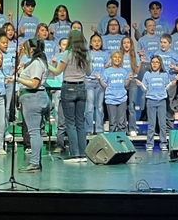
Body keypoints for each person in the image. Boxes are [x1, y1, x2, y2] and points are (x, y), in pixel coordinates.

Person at [46, 30, 89, 161]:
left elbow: (57, 71)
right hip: (82, 87)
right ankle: (83, 154)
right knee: (80, 122)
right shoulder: (86, 54)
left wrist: (46, 64)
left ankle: (75, 154)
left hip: (68, 87)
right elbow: (89, 72)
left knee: (70, 123)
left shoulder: (67, 53)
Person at [17, 39, 50, 172]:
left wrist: (18, 78)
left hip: (33, 98)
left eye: (26, 49)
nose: (25, 51)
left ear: (32, 49)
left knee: (34, 132)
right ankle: (36, 162)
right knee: (36, 132)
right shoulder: (39, 62)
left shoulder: (37, 63)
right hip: (36, 98)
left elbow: (34, 83)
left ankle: (35, 163)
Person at [142, 55, 171, 153]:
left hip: (162, 100)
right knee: (151, 124)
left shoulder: (164, 74)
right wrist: (140, 85)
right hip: (150, 100)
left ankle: (163, 143)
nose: (154, 64)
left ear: (160, 64)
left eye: (157, 62)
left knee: (162, 124)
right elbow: (144, 89)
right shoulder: (147, 74)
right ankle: (149, 144)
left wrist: (172, 84)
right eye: (153, 62)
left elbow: (167, 87)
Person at [99, 51, 133, 133]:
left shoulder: (124, 71)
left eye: (119, 57)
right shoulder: (107, 71)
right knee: (113, 122)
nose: (117, 59)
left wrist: (129, 80)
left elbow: (125, 85)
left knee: (121, 123)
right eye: (115, 57)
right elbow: (104, 86)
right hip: (111, 99)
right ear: (111, 59)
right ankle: (112, 141)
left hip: (122, 99)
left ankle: (122, 141)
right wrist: (99, 80)